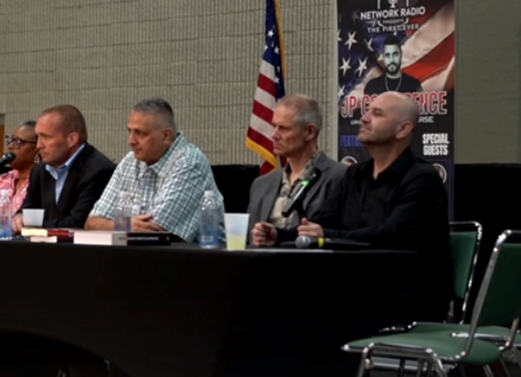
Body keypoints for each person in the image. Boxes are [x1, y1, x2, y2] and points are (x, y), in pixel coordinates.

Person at [253, 92, 453, 321]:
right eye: (366, 111)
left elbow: (390, 235)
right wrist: (279, 235)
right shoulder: (355, 175)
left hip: (408, 294)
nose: (364, 118)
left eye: (377, 113)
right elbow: (322, 222)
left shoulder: (422, 179)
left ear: (403, 129)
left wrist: (327, 236)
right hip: (360, 289)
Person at [86, 98, 222, 242]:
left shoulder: (189, 163)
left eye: (140, 133)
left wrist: (116, 226)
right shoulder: (130, 161)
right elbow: (92, 222)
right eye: (130, 131)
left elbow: (156, 232)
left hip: (200, 254)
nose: (131, 141)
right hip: (140, 252)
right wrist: (127, 225)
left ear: (166, 136)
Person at [246, 95, 347, 243]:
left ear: (310, 132)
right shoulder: (261, 184)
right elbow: (248, 240)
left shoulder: (341, 177)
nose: (274, 135)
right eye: (274, 126)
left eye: (283, 128)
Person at [12, 105, 115, 233]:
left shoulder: (99, 170)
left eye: (46, 137)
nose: (38, 145)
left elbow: (78, 223)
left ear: (72, 139)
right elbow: (28, 210)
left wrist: (32, 225)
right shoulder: (40, 171)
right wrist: (19, 217)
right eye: (38, 137)